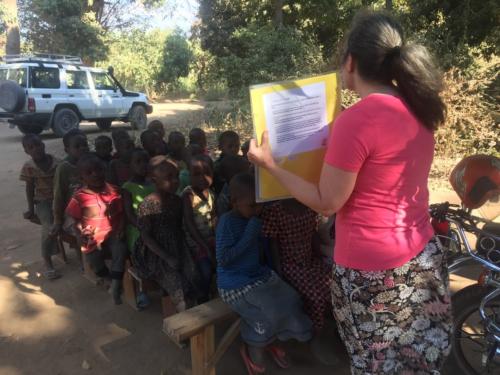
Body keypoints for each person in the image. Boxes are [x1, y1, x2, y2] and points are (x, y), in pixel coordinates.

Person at [248, 10, 452, 374]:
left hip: (371, 271)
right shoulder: (419, 107)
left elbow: (328, 201)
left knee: (376, 362)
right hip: (421, 256)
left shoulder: (357, 120)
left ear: (350, 62)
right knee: (415, 359)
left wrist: (271, 165)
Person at [216, 173, 313, 374]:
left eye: (260, 204)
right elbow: (224, 259)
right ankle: (253, 352)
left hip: (255, 276)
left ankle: (270, 341)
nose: (258, 210)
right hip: (235, 283)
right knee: (265, 313)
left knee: (290, 297)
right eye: (252, 206)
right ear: (235, 202)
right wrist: (249, 234)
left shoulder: (252, 217)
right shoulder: (227, 222)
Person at [132, 156, 201, 311]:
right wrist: (167, 257)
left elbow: (180, 227)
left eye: (176, 176)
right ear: (154, 180)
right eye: (169, 178)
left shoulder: (177, 200)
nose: (175, 181)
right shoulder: (148, 204)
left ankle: (196, 316)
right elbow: (146, 236)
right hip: (155, 251)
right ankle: (184, 323)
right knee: (178, 286)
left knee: (194, 276)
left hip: (176, 244)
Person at [262, 199, 332, 332]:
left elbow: (313, 234)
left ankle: (328, 324)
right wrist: (279, 272)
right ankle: (313, 332)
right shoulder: (274, 210)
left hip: (310, 260)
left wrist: (323, 257)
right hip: (289, 265)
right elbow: (273, 244)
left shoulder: (309, 205)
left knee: (333, 284)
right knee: (316, 296)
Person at [65, 154, 127, 304]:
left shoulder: (114, 191)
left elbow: (123, 212)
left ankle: (116, 283)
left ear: (104, 170)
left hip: (112, 231)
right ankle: (106, 277)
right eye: (89, 172)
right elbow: (74, 218)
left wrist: (122, 228)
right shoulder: (79, 197)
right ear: (81, 178)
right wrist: (79, 232)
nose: (95, 174)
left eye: (98, 169)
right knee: (92, 257)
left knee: (120, 249)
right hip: (92, 235)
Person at [20, 134, 61, 279]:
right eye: (30, 147)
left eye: (37, 144)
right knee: (49, 227)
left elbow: (64, 184)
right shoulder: (29, 167)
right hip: (42, 202)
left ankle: (85, 258)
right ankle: (47, 261)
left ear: (43, 145)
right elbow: (29, 188)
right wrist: (31, 209)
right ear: (26, 151)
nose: (35, 148)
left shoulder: (57, 163)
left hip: (59, 200)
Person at [182, 154, 216, 302]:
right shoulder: (188, 195)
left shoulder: (211, 194)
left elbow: (215, 217)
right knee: (205, 270)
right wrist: (204, 245)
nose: (202, 178)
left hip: (211, 239)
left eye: (207, 173)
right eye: (196, 174)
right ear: (189, 176)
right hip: (195, 242)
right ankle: (201, 297)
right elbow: (189, 223)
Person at [52, 131, 89, 236]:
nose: (83, 148)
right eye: (77, 146)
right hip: (72, 213)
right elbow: (58, 196)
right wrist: (57, 221)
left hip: (92, 208)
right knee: (82, 230)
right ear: (67, 150)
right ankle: (84, 251)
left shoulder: (92, 162)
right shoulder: (64, 168)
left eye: (85, 145)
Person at [122, 148, 155, 253]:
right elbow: (129, 214)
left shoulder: (153, 182)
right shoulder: (127, 187)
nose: (143, 164)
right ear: (129, 165)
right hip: (139, 230)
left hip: (156, 225)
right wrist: (141, 227)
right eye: (138, 162)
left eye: (146, 161)